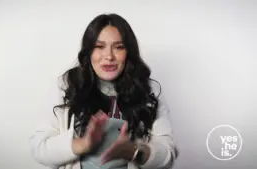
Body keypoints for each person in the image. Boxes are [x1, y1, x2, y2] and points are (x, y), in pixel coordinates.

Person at [29, 13, 179, 169]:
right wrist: (82, 144)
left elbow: (168, 155)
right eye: (99, 47)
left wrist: (134, 151)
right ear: (88, 52)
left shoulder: (147, 89)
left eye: (119, 47)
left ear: (128, 53)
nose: (108, 56)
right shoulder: (67, 85)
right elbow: (39, 148)